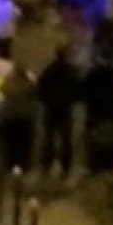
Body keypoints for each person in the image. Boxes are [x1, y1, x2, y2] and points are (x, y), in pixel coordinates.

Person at [37, 46, 78, 178]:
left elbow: (41, 87)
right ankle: (65, 167)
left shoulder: (49, 70)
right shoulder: (71, 71)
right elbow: (77, 89)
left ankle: (46, 166)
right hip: (65, 108)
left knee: (49, 139)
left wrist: (47, 100)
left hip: (51, 108)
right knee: (65, 139)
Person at [82, 54, 113, 176]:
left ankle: (95, 165)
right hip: (109, 111)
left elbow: (84, 91)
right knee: (109, 140)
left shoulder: (92, 74)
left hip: (95, 111)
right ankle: (108, 164)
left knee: (94, 139)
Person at [0, 63, 38, 173]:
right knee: (24, 143)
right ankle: (24, 164)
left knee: (10, 143)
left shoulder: (7, 84)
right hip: (25, 117)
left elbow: (1, 95)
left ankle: (11, 165)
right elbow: (35, 94)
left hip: (9, 117)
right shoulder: (28, 85)